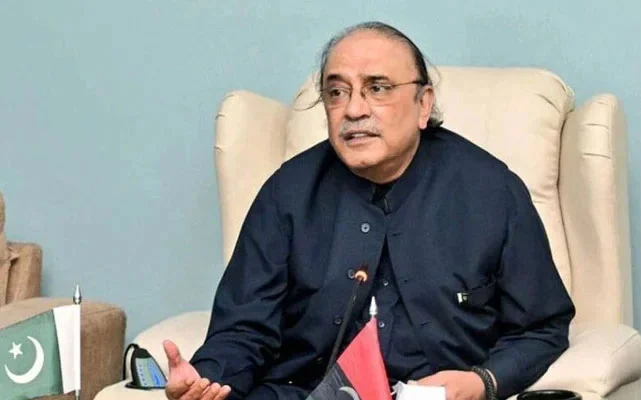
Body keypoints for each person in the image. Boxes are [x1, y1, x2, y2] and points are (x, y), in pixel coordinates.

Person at [163, 21, 575, 400]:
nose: (354, 110)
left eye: (377, 88)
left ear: (423, 104)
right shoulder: (287, 194)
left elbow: (543, 327)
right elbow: (243, 328)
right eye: (336, 92)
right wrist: (207, 378)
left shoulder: (491, 191)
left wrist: (482, 382)